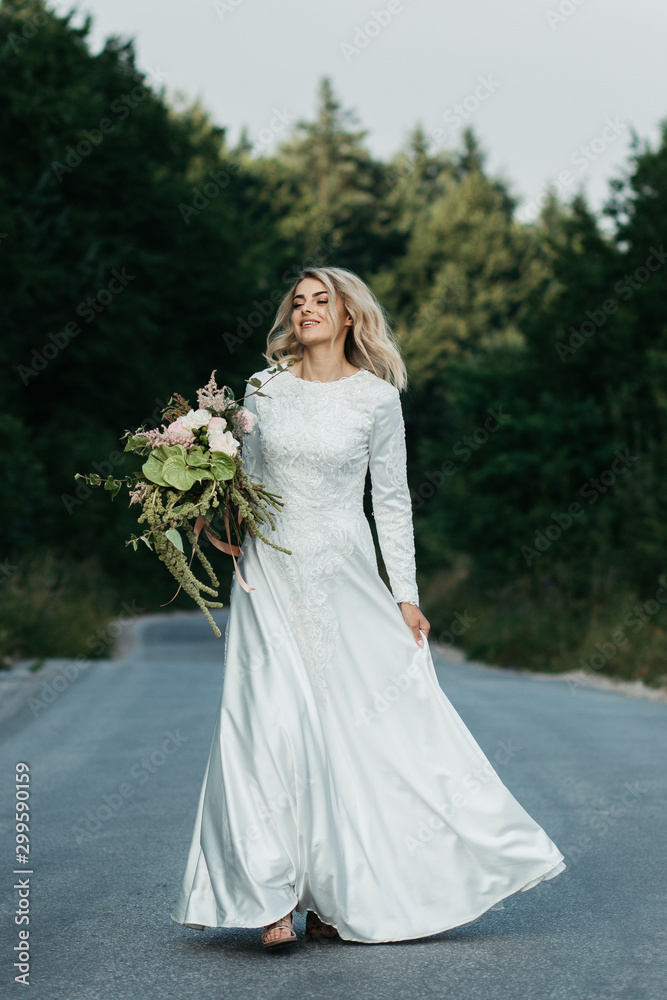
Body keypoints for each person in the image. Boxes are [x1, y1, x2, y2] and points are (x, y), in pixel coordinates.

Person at [170, 266, 565, 949]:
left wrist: (405, 595)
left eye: (321, 301)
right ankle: (269, 898)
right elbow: (242, 481)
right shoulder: (260, 390)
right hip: (268, 574)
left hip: (345, 577)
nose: (306, 310)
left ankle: (333, 894)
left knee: (350, 732)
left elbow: (391, 501)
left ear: (349, 315)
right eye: (297, 301)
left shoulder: (375, 402)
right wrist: (205, 514)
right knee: (267, 722)